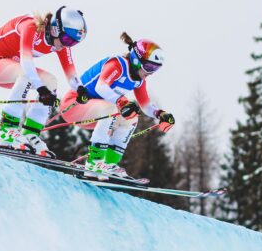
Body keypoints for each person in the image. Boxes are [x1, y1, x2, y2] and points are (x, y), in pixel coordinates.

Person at [59, 33, 176, 180]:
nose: (150, 73)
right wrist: (121, 102)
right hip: (74, 105)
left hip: (97, 113)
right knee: (112, 108)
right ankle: (94, 163)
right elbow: (102, 87)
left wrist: (160, 114)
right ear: (136, 60)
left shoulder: (138, 80)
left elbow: (145, 105)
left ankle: (108, 164)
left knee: (131, 119)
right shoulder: (117, 64)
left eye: (155, 69)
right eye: (149, 67)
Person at [0, 7, 89, 156]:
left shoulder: (59, 43)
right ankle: (6, 130)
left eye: (73, 43)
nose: (67, 45)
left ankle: (30, 134)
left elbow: (70, 71)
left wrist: (79, 88)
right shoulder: (31, 26)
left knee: (51, 81)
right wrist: (41, 90)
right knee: (28, 75)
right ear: (55, 29)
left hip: (13, 68)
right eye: (67, 40)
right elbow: (27, 62)